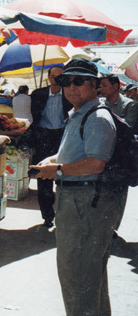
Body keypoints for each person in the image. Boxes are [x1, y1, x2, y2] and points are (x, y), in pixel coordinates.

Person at [31, 59, 118, 316]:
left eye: (79, 81)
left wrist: (56, 170)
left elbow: (95, 163)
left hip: (86, 202)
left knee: (77, 274)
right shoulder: (79, 113)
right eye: (65, 81)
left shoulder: (97, 117)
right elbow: (74, 153)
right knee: (89, 276)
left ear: (96, 86)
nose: (71, 87)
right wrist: (53, 160)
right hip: (77, 199)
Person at [29, 66, 73, 228]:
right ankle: (47, 215)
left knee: (63, 175)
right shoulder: (38, 94)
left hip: (63, 138)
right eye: (53, 77)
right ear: (48, 77)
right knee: (43, 177)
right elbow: (33, 117)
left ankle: (64, 215)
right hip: (44, 138)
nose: (55, 80)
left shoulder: (69, 95)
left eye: (59, 77)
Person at [99, 74, 137, 237]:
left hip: (122, 155)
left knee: (120, 191)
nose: (101, 88)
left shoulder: (130, 105)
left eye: (105, 85)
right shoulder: (101, 104)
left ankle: (113, 226)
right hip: (104, 152)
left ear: (116, 86)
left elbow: (127, 128)